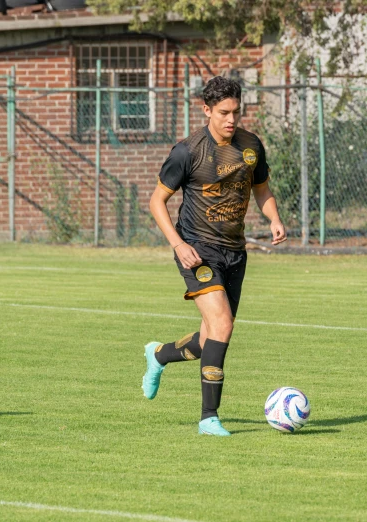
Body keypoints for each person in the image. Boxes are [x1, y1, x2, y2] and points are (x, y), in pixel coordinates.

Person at [144, 76, 287, 436]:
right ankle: (209, 417)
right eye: (223, 112)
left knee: (212, 336)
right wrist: (178, 244)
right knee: (223, 324)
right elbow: (156, 201)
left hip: (235, 252)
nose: (231, 120)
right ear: (206, 109)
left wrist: (274, 218)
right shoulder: (188, 151)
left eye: (236, 112)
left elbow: (262, 188)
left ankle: (159, 355)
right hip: (197, 250)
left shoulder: (251, 146)